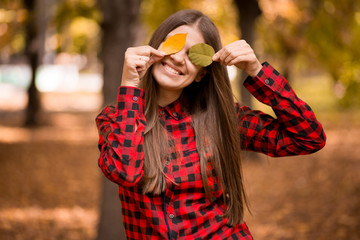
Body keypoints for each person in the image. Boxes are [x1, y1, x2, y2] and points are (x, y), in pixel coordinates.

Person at [96, 9, 326, 240]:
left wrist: (257, 71)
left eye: (192, 54)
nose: (177, 58)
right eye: (173, 45)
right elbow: (124, 172)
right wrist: (129, 86)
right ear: (154, 49)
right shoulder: (116, 119)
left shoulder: (222, 118)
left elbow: (309, 138)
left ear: (201, 74)